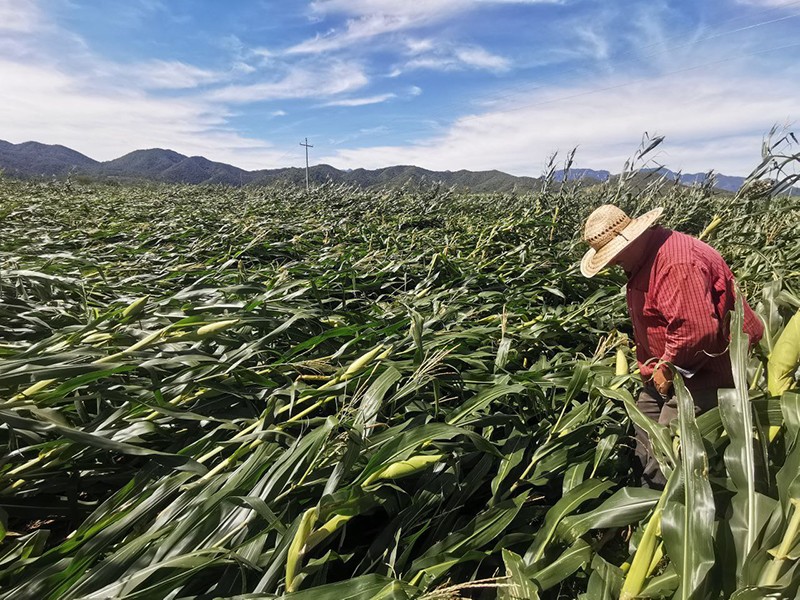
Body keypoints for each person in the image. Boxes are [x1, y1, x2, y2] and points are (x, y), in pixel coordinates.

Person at [580, 204, 764, 487]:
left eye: (614, 255)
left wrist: (667, 367)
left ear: (632, 237)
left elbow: (696, 331)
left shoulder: (675, 263)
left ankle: (669, 515)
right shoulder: (645, 259)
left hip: (703, 371)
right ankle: (643, 500)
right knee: (643, 427)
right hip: (666, 370)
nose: (613, 264)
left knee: (666, 454)